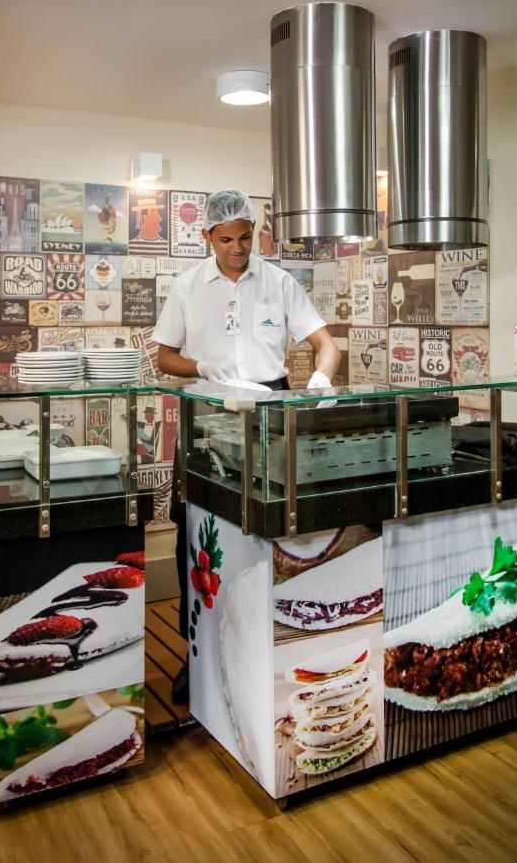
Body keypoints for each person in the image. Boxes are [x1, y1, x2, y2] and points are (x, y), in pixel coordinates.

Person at [151, 188, 340, 703]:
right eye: (226, 240)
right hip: (207, 415)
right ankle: (196, 654)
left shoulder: (278, 282)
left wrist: (321, 378)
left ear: (255, 233)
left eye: (245, 237)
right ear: (206, 236)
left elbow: (326, 345)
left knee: (270, 526)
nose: (237, 248)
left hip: (268, 414)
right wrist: (199, 366)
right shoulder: (188, 287)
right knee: (195, 527)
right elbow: (163, 357)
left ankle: (271, 647)